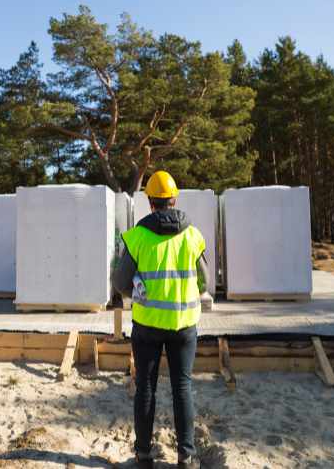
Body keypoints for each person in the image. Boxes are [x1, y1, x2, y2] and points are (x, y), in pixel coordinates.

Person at [111, 171, 212, 469]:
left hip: (147, 326)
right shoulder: (192, 235)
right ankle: (186, 457)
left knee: (145, 388)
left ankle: (143, 456)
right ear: (174, 199)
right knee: (182, 387)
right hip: (183, 326)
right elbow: (205, 284)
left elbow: (119, 282)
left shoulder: (138, 237)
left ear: (150, 203)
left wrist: (136, 290)